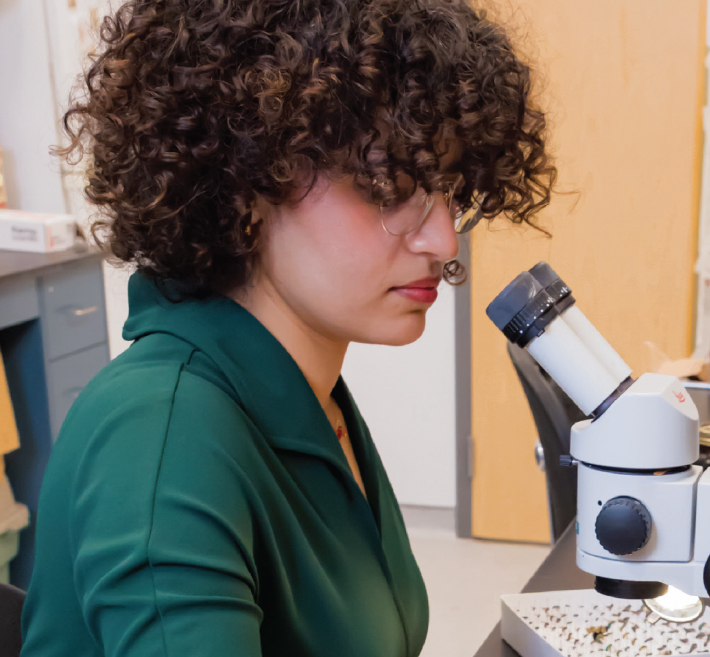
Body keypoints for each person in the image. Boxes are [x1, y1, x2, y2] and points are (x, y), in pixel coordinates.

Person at [20, 0, 554, 655]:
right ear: (249, 183)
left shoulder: (304, 390)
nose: (443, 240)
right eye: (388, 186)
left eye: (450, 190)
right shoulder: (165, 437)